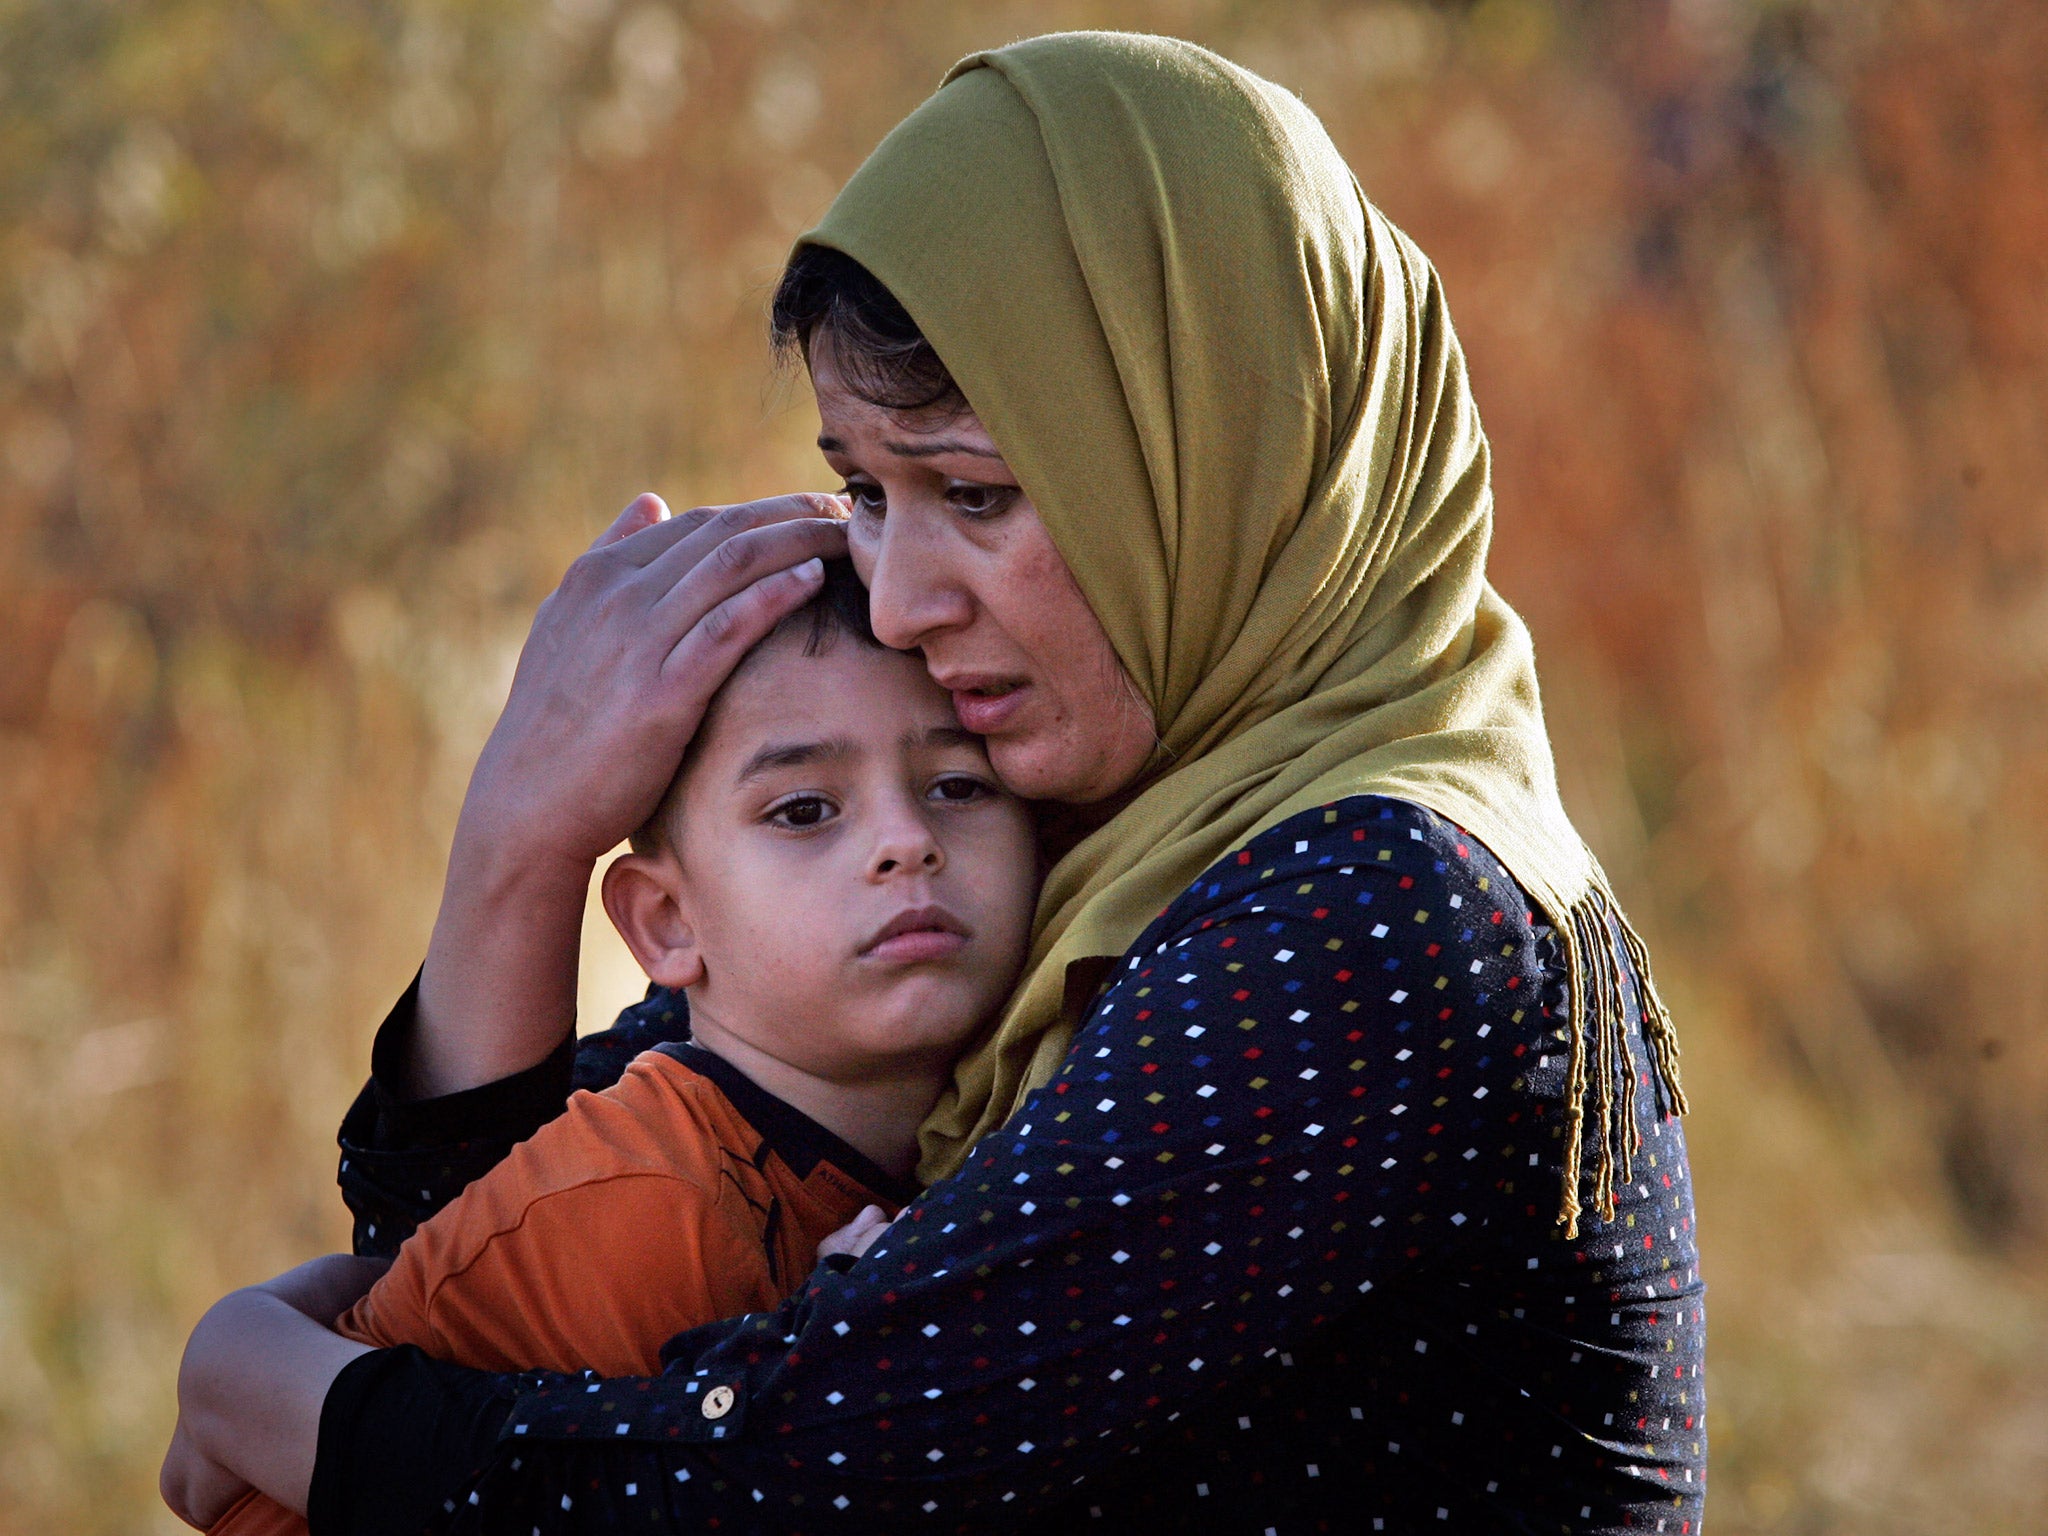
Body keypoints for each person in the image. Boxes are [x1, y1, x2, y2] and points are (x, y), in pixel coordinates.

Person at [167, 32, 1706, 1535]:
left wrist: (277, 1389)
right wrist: (520, 839)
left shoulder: (1369, 915)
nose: (896, 602)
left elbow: (782, 1482)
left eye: (972, 492)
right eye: (862, 488)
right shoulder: (1075, 840)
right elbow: (507, 1274)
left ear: (1220, 453)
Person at [165, 562, 1038, 1531]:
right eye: (803, 810)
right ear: (664, 922)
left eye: (958, 783)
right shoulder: (652, 1207)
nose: (905, 840)